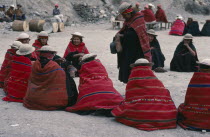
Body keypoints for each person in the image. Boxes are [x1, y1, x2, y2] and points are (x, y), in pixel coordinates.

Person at [111, 58, 177, 131]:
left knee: (124, 106)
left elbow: (129, 98)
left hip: (141, 113)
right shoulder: (155, 80)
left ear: (135, 67)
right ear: (148, 66)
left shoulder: (133, 79)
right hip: (165, 116)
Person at [23, 46, 78, 110]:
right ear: (49, 54)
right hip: (49, 100)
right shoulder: (54, 66)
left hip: (34, 97)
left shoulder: (35, 64)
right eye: (52, 53)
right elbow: (63, 79)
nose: (53, 55)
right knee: (68, 79)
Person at [115, 2, 151, 83]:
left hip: (137, 50)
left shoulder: (138, 19)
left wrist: (123, 36)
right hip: (128, 50)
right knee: (127, 69)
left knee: (137, 68)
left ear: (129, 12)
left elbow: (136, 35)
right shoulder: (129, 20)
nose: (124, 17)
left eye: (124, 15)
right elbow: (125, 30)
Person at [178, 59, 210, 131]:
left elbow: (188, 100)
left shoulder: (196, 79)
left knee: (181, 107)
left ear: (199, 68)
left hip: (194, 117)